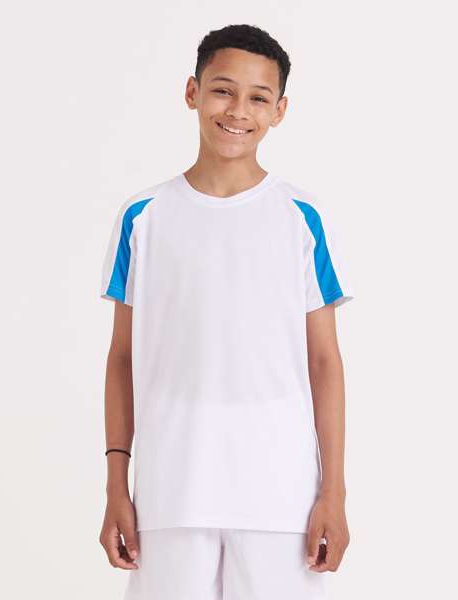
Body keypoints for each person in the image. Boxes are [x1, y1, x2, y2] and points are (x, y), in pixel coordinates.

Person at [98, 23, 354, 600]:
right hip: (170, 495)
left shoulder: (302, 217)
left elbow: (324, 362)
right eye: (222, 90)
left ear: (279, 110)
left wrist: (333, 492)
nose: (238, 110)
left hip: (281, 500)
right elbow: (121, 358)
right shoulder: (143, 216)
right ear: (192, 92)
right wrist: (117, 483)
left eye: (258, 97)